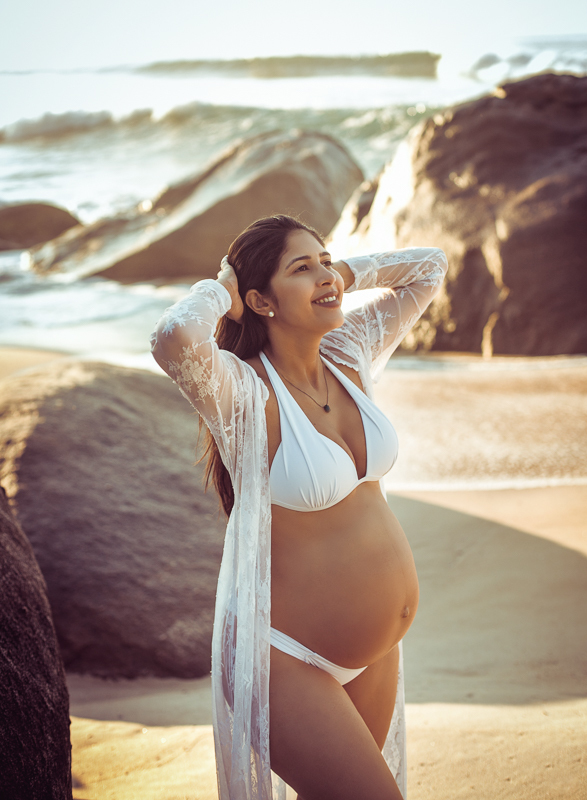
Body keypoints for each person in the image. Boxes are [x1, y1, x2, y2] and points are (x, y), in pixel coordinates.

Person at [150, 214, 448, 800]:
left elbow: (428, 268)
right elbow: (174, 339)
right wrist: (222, 292)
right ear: (261, 300)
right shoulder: (243, 393)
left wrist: (339, 273)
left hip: (375, 653)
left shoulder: (348, 355)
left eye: (325, 259)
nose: (325, 276)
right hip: (284, 662)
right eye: (301, 268)